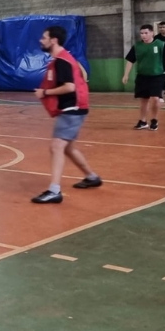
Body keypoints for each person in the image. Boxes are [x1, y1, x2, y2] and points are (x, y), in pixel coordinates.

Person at [31, 26, 102, 203]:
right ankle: (92, 177)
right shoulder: (61, 59)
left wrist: (45, 93)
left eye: (44, 37)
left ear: (54, 40)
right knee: (68, 148)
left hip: (73, 108)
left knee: (56, 146)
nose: (41, 40)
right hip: (74, 107)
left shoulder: (62, 61)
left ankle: (54, 191)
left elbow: (69, 87)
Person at [122, 24, 165, 131]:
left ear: (152, 33)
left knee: (155, 98)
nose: (143, 35)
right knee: (144, 100)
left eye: (146, 33)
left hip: (157, 76)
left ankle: (154, 120)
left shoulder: (160, 44)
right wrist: (126, 74)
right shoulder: (137, 46)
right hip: (142, 76)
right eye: (141, 33)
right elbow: (130, 61)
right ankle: (143, 121)